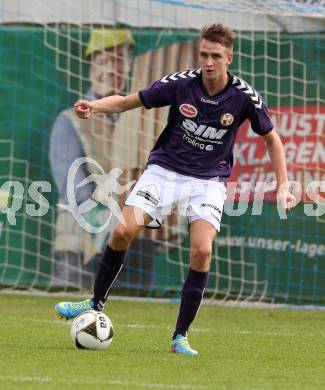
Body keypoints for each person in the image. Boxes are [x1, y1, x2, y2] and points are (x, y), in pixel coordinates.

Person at [55, 24, 296, 355]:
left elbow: (272, 139)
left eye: (215, 56)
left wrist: (283, 186)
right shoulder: (181, 83)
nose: (208, 62)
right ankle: (94, 302)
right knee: (123, 230)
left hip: (208, 181)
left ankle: (179, 336)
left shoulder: (244, 97)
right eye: (203, 55)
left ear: (229, 57)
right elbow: (128, 102)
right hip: (164, 171)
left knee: (202, 251)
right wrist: (95, 107)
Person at [49, 29, 135, 285]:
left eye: (118, 59)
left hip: (131, 245)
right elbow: (73, 190)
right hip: (79, 250)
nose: (110, 69)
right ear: (89, 69)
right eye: (102, 61)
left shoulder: (139, 119)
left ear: (129, 66)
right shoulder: (69, 121)